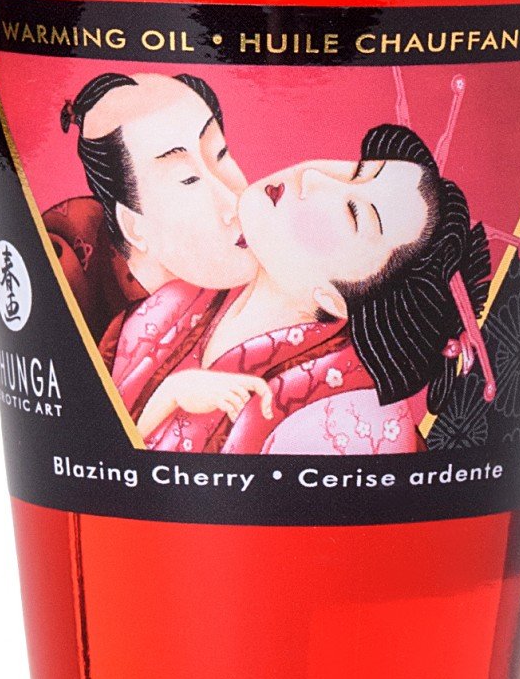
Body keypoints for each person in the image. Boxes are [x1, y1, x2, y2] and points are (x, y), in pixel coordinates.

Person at [110, 124, 492, 456]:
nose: (313, 177)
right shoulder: (178, 301)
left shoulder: (345, 419)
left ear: (337, 299)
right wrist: (171, 395)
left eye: (354, 212)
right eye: (356, 171)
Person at [45, 72, 258, 348]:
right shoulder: (67, 273)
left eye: (220, 153)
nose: (234, 204)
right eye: (188, 179)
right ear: (133, 226)